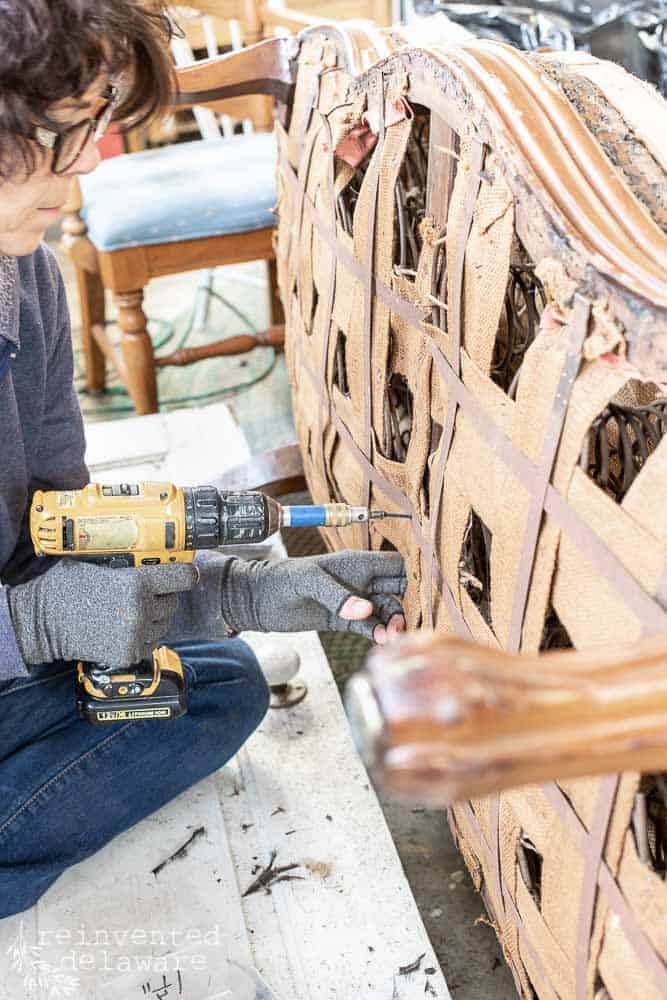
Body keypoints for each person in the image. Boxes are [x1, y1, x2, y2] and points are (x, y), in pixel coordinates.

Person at [0, 0, 406, 920]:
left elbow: (56, 525)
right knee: (206, 698)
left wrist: (238, 590)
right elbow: (42, 601)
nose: (95, 162)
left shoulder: (24, 267)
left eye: (96, 122)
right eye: (64, 132)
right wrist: (32, 628)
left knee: (211, 669)